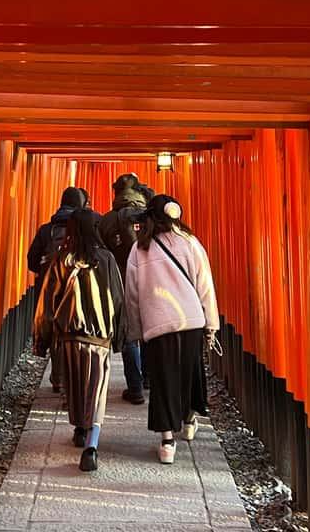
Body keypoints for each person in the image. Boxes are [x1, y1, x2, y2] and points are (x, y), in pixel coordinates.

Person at [123, 195, 219, 464]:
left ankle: (167, 442)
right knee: (189, 372)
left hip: (157, 324)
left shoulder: (139, 249)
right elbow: (205, 285)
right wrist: (211, 322)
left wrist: (136, 330)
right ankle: (189, 421)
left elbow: (132, 295)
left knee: (164, 380)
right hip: (190, 321)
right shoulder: (190, 242)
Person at [33, 208, 125, 472]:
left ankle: (79, 428)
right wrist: (119, 336)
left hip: (69, 336)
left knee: (74, 387)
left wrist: (42, 339)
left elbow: (48, 303)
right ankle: (91, 444)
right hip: (98, 337)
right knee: (96, 389)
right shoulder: (106, 259)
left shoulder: (62, 259)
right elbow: (118, 299)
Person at [98, 174, 153, 404]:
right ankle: (150, 378)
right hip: (151, 281)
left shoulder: (106, 221)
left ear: (116, 193)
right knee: (152, 329)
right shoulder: (151, 218)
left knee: (129, 333)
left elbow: (101, 255)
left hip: (120, 283)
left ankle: (135, 387)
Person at [27, 187, 87, 393]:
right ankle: (74, 376)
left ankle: (59, 377)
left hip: (50, 288)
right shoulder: (84, 229)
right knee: (75, 331)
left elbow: (32, 261)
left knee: (55, 331)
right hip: (76, 287)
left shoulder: (46, 230)